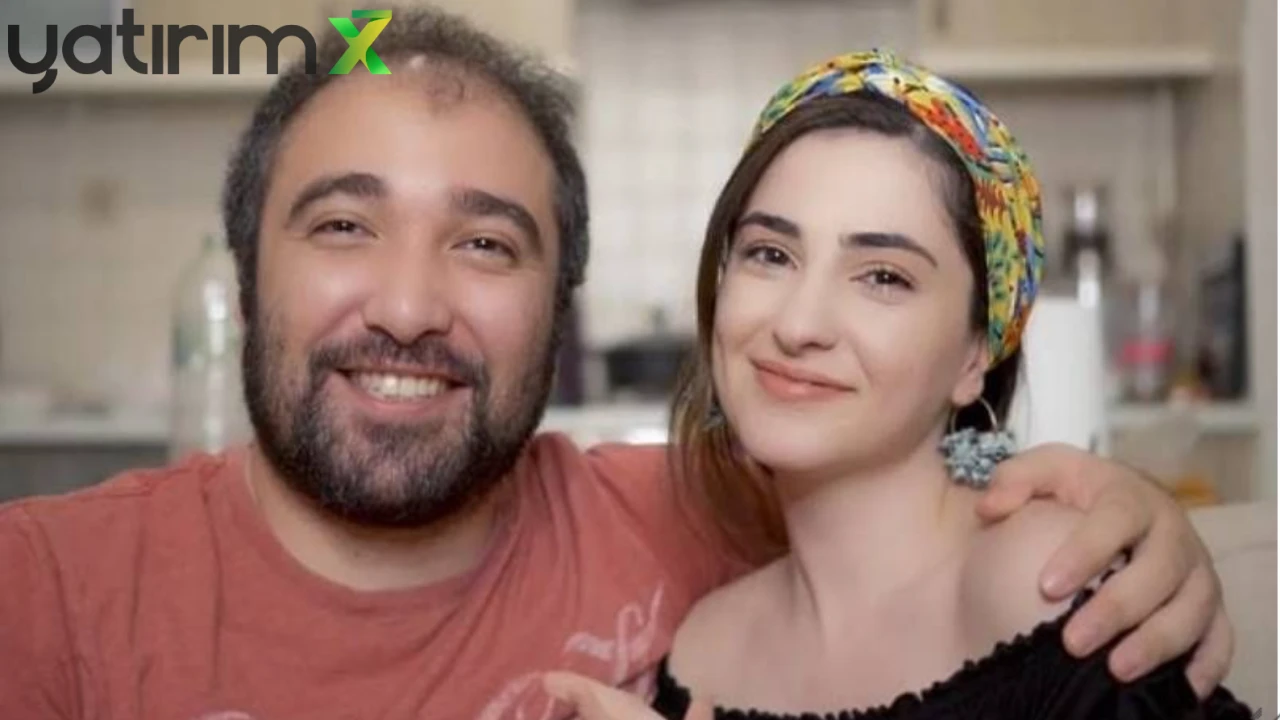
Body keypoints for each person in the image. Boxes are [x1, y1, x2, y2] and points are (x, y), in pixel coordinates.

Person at [0, 9, 1233, 720]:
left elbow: (911, 517)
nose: (411, 306)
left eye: (486, 242)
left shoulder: (694, 516)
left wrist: (1115, 515)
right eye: (341, 224)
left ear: (561, 302)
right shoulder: (44, 593)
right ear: (242, 265)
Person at [543, 51, 1252, 719]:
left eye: (883, 277)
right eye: (770, 254)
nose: (799, 324)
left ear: (976, 354)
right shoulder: (704, 650)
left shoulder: (1049, 579)